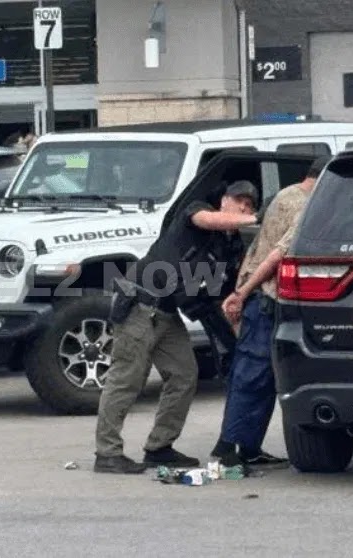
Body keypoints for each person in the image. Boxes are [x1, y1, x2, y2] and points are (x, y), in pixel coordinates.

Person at [94, 181, 260, 474]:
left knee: (184, 375)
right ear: (224, 201)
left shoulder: (229, 245)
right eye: (239, 202)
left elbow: (222, 288)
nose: (244, 208)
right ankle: (107, 453)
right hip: (140, 306)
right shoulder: (197, 213)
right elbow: (208, 220)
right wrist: (257, 219)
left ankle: (159, 447)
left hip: (168, 314)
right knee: (126, 379)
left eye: (249, 205)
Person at [209, 156, 330, 468]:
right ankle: (230, 447)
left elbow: (256, 246)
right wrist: (243, 291)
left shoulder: (284, 195)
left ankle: (246, 448)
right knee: (255, 375)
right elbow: (277, 254)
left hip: (256, 297)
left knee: (253, 375)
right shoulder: (308, 205)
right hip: (267, 297)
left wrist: (240, 290)